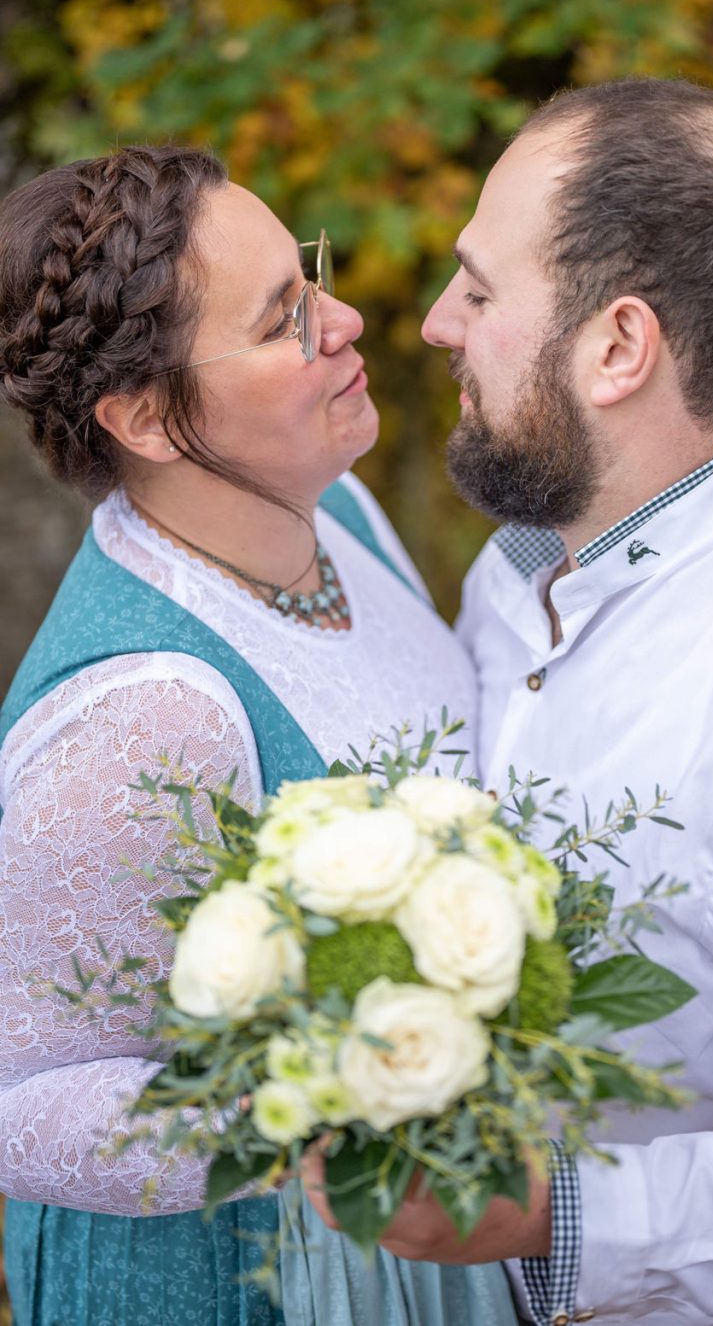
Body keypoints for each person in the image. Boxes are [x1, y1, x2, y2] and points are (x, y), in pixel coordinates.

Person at [305, 78, 713, 1323]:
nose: (430, 324)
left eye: (479, 290)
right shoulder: (517, 563)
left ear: (617, 346)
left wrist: (558, 1216)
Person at [0, 146, 520, 1326]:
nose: (342, 321)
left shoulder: (339, 505)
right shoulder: (144, 713)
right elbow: (17, 1098)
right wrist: (318, 1107)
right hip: (247, 1281)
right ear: (143, 417)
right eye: (285, 317)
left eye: (313, 274)